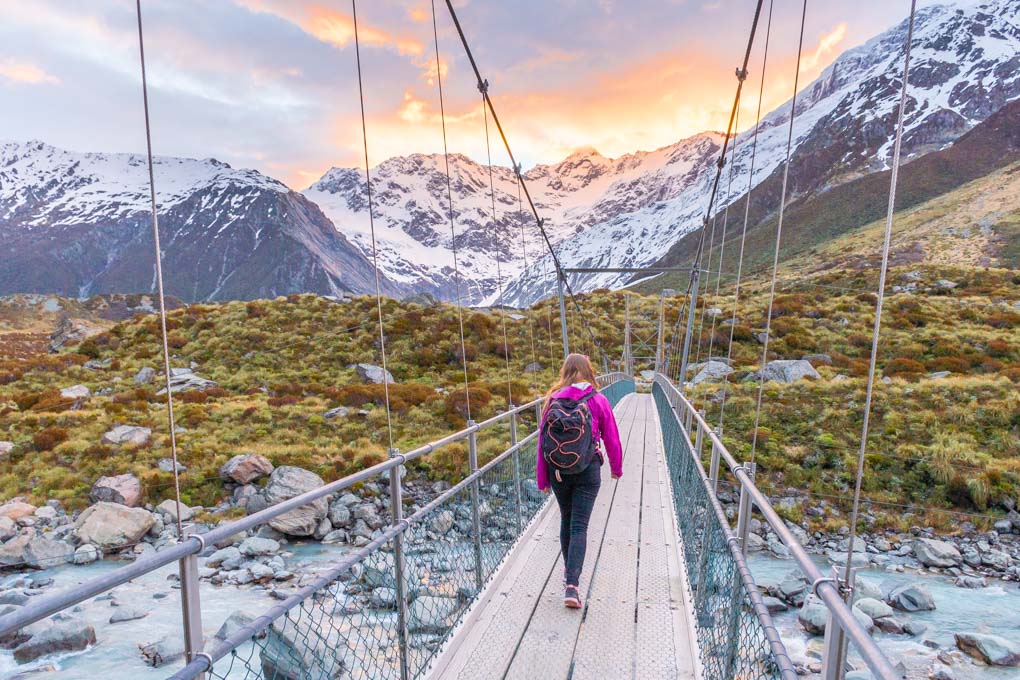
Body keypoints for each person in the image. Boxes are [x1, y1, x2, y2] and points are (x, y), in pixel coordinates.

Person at [536, 353, 622, 609]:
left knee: (566, 519)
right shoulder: (598, 400)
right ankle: (572, 585)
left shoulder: (552, 399)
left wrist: (543, 479)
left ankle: (568, 573)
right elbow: (612, 438)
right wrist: (616, 468)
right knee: (579, 526)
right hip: (588, 469)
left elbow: (542, 443)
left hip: (558, 472)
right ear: (589, 371)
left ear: (565, 371)